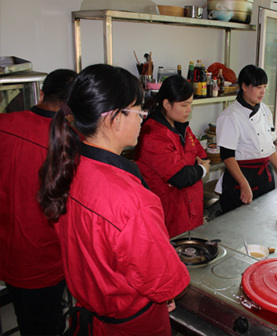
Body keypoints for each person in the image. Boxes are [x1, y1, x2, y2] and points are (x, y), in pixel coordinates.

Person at [37, 64, 190, 335]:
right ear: (115, 118)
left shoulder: (68, 169)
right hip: (132, 325)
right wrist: (165, 292)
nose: (143, 117)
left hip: (91, 313)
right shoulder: (132, 200)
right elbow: (166, 281)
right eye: (138, 110)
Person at [0, 69, 76, 335]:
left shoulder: (4, 123)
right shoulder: (68, 141)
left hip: (9, 253)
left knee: (26, 320)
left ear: (42, 93)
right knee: (47, 325)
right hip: (45, 259)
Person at [135, 75, 210, 238]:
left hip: (191, 210)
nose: (189, 110)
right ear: (166, 104)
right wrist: (201, 170)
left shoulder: (183, 128)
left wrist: (195, 169)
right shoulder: (153, 135)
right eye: (184, 105)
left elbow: (202, 155)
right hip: (170, 216)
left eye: (190, 104)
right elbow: (180, 178)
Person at [215, 64, 277, 213]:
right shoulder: (230, 116)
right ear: (244, 86)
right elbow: (227, 156)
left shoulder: (264, 109)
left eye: (264, 87)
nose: (263, 92)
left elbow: (268, 146)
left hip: (264, 177)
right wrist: (244, 184)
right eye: (258, 87)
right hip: (240, 179)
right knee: (238, 226)